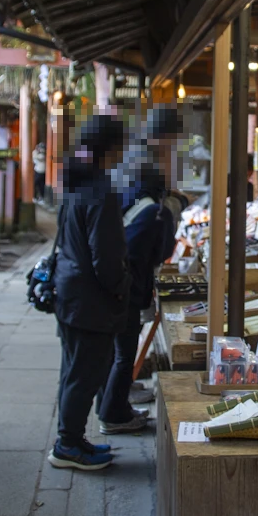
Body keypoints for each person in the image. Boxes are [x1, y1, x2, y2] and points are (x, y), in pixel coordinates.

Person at [50, 114, 133, 471]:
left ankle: (72, 438)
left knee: (74, 371)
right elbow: (107, 258)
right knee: (85, 374)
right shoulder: (101, 191)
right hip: (90, 300)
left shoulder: (77, 182)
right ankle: (68, 445)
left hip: (70, 293)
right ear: (110, 149)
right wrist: (121, 290)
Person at [98, 106, 185, 433]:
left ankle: (113, 399)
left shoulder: (131, 158)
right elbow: (153, 233)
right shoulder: (147, 167)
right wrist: (173, 208)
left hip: (116, 271)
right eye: (175, 141)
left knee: (116, 349)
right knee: (123, 350)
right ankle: (113, 413)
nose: (175, 148)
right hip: (127, 275)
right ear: (165, 137)